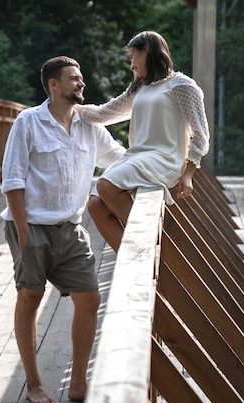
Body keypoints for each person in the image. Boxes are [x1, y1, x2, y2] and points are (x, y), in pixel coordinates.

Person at [0, 56, 125, 403]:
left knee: (90, 299)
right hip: (31, 228)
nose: (81, 83)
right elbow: (12, 181)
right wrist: (24, 234)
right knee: (30, 299)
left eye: (81, 77)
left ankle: (79, 385)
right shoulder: (28, 122)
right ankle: (34, 384)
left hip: (70, 230)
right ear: (54, 85)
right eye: (74, 78)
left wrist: (167, 167)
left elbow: (120, 158)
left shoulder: (90, 125)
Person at [79, 30, 210, 252]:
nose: (131, 65)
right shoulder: (139, 87)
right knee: (95, 205)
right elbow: (102, 114)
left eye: (132, 57)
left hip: (164, 158)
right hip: (138, 156)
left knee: (105, 185)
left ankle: (144, 250)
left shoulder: (182, 85)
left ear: (146, 51)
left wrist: (188, 174)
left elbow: (201, 133)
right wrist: (67, 105)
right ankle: (130, 257)